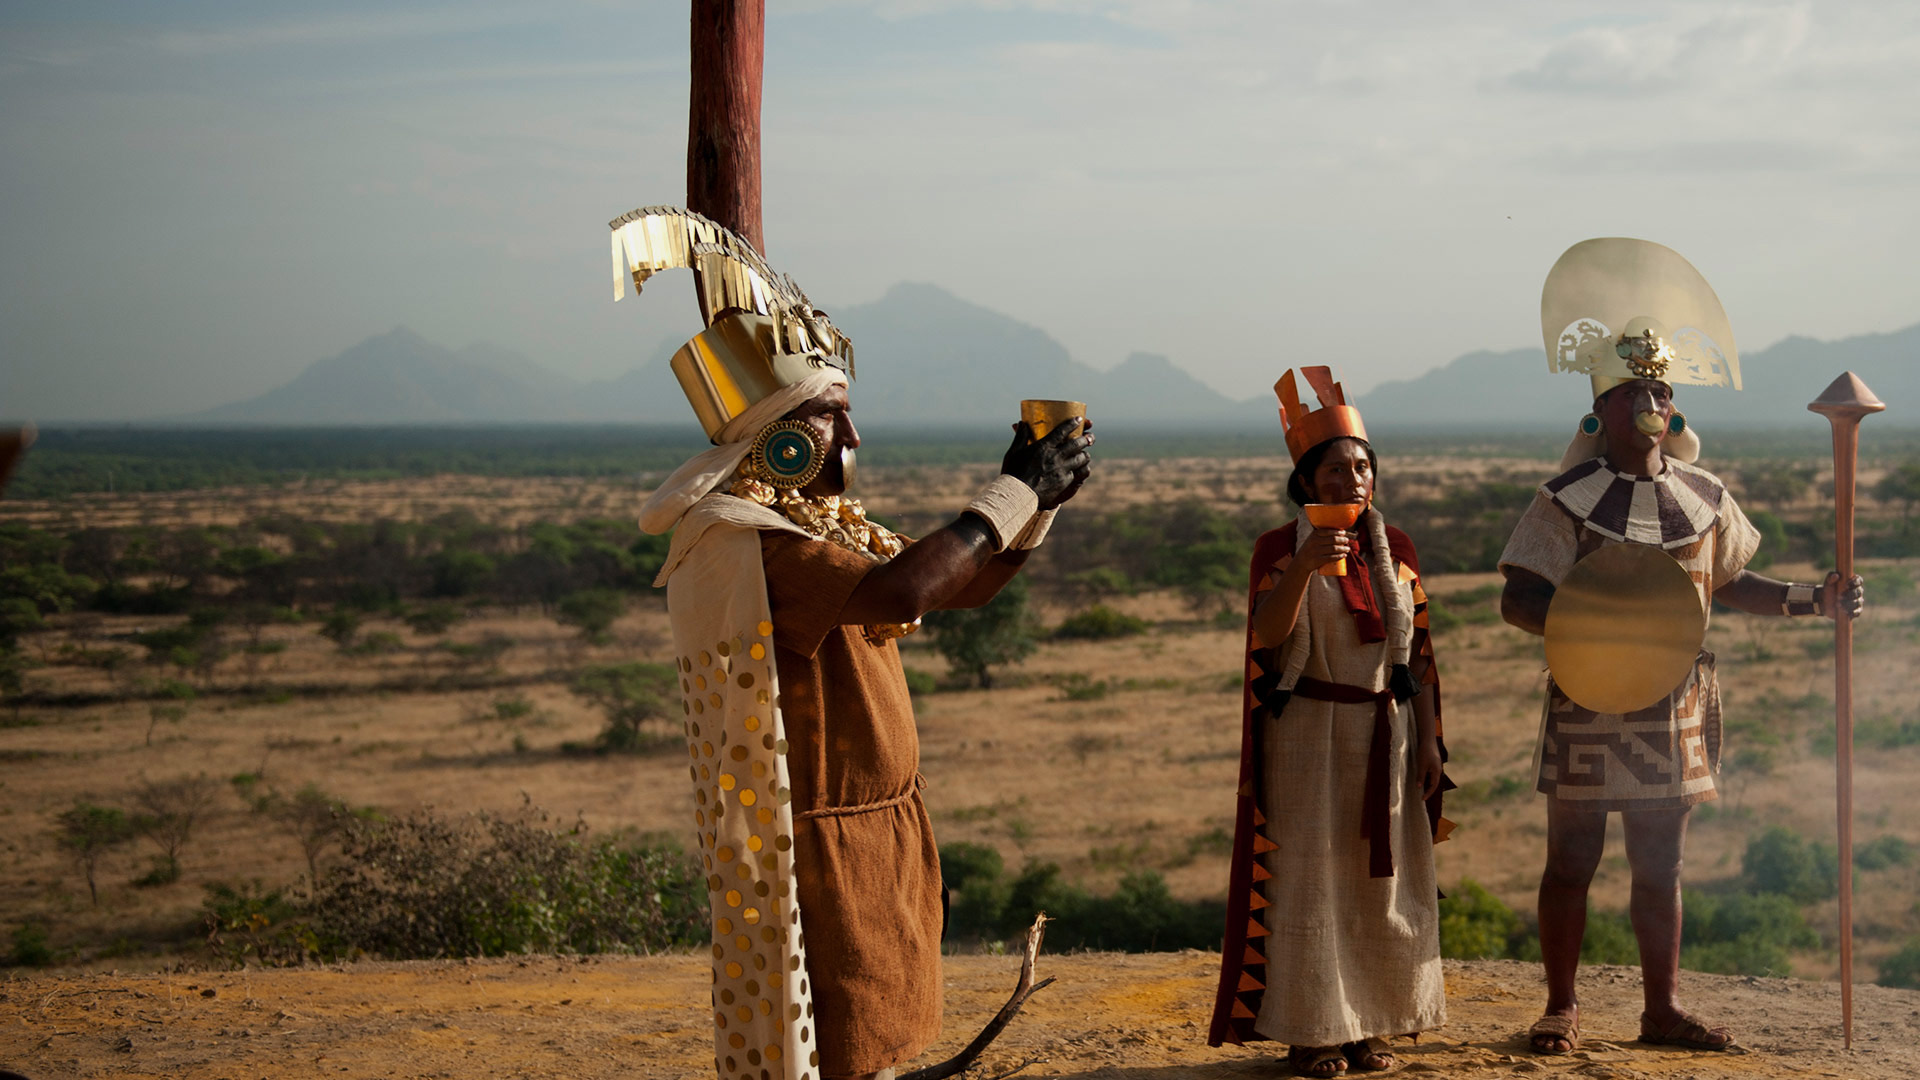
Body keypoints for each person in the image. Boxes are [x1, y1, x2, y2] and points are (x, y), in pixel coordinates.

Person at [612, 207, 1094, 1080]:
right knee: (847, 1044)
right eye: (834, 417)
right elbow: (905, 589)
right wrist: (1010, 491)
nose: (854, 438)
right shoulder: (748, 541)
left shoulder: (811, 527)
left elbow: (962, 584)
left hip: (877, 827)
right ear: (783, 436)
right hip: (823, 845)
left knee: (881, 1038)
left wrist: (1038, 500)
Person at [1500, 238, 1866, 1056]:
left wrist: (1815, 599)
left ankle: (1661, 1010)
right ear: (1600, 409)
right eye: (1633, 390)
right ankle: (1560, 1006)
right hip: (1589, 698)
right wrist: (1599, 635)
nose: (1650, 401)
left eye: (1660, 390)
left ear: (1675, 410)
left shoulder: (1704, 494)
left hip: (1675, 704)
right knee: (1572, 861)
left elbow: (1730, 582)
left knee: (1660, 867)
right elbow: (1518, 598)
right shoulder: (1564, 499)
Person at [1210, 366, 1452, 1077]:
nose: (1354, 479)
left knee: (1381, 885)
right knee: (1309, 879)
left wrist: (1430, 742)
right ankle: (1313, 1030)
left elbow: (1421, 654)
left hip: (1387, 733)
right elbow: (1266, 637)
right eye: (1338, 468)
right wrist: (1303, 568)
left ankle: (1370, 1025)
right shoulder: (1277, 549)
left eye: (1363, 466)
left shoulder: (1396, 547)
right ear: (1307, 481)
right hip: (1307, 734)